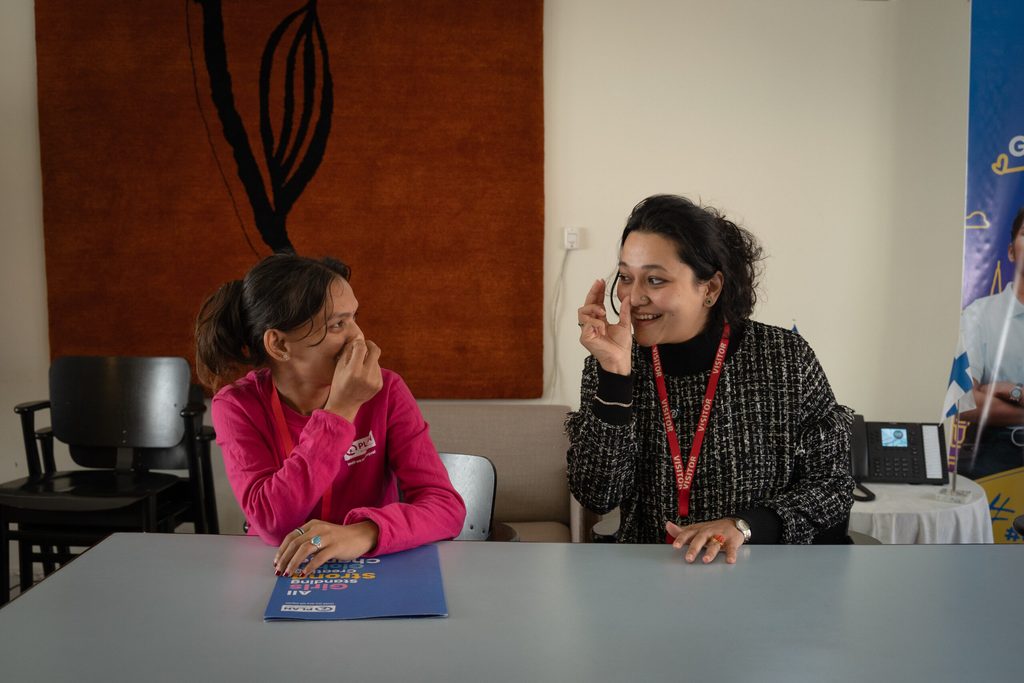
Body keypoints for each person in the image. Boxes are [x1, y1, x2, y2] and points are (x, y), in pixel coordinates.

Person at [566, 194, 854, 564]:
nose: (632, 298)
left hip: (759, 573)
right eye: (624, 277)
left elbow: (832, 485)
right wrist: (615, 376)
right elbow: (596, 494)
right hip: (648, 573)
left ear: (711, 289)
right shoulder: (613, 361)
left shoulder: (784, 357)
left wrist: (745, 526)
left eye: (654, 280)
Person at [195, 254, 466, 578]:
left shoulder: (387, 390)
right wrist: (341, 411)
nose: (358, 336)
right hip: (280, 569)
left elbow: (445, 507)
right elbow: (270, 521)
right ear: (279, 344)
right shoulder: (237, 406)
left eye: (353, 318)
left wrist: (362, 533)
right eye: (337, 324)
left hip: (375, 562)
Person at [958, 207, 1024, 477]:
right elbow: (964, 401)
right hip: (996, 454)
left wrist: (1010, 390)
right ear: (1011, 252)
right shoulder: (979, 315)